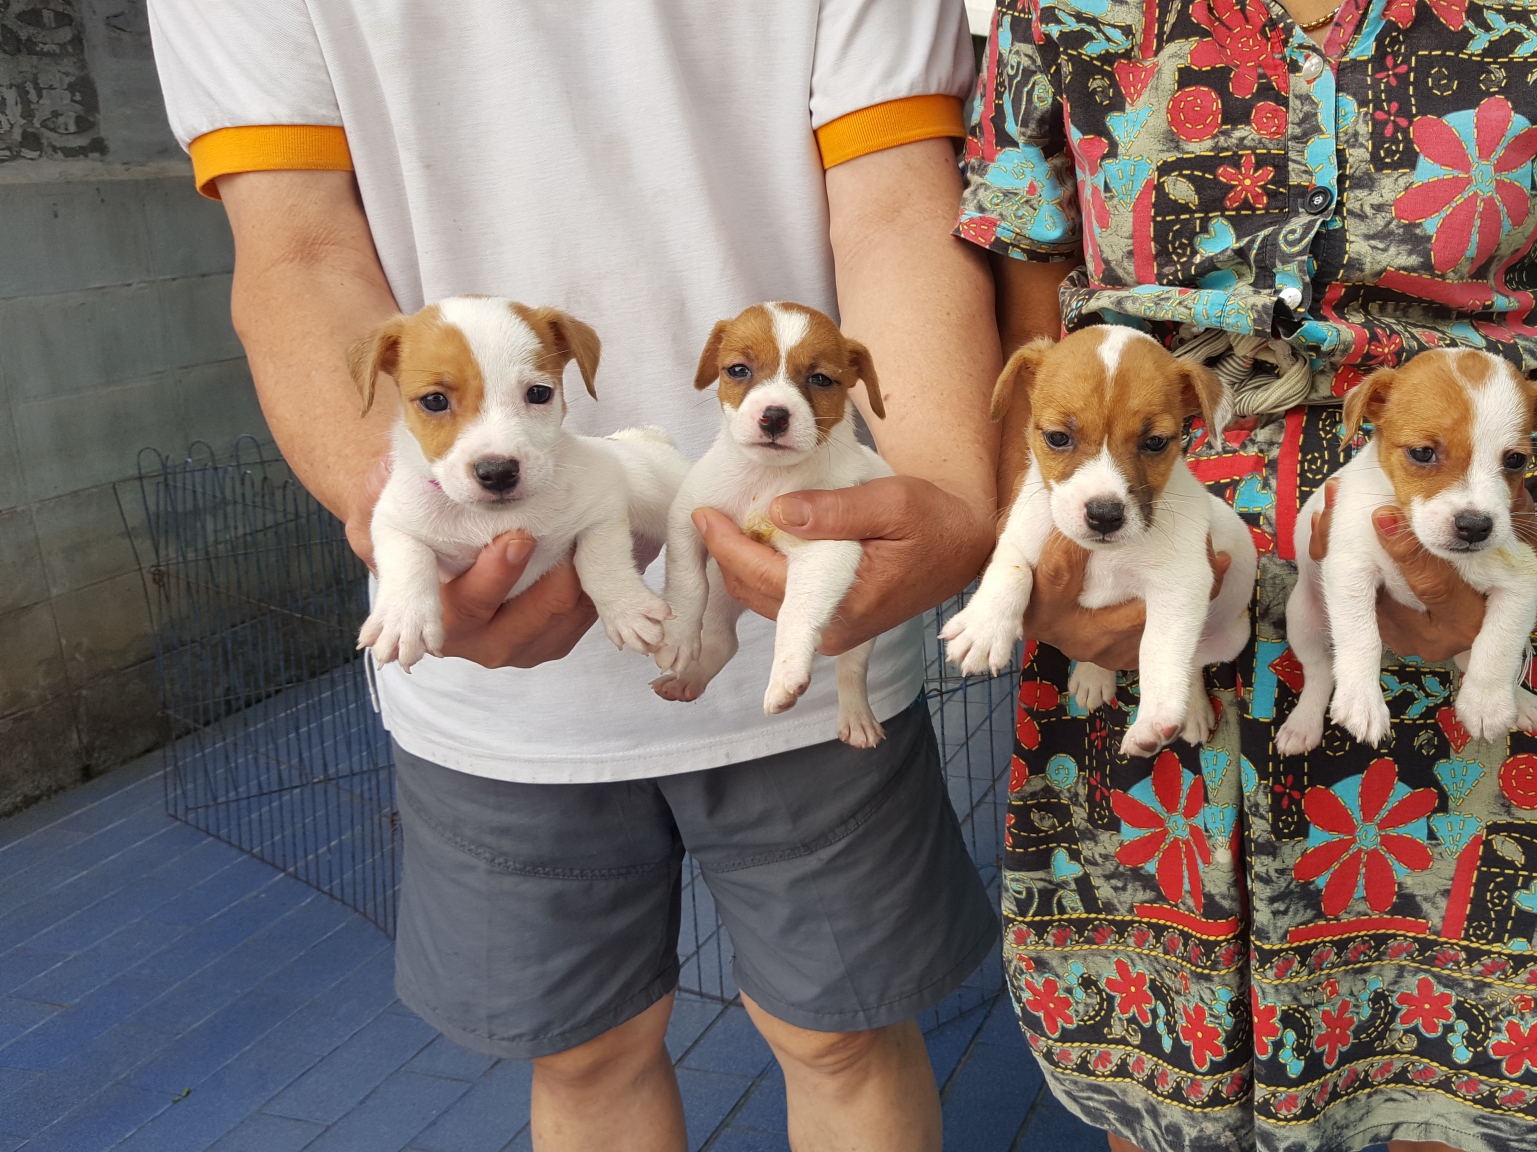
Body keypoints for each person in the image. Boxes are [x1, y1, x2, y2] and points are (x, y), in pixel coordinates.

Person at [148, 3, 1004, 1149]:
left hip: (812, 618)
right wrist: (409, 520)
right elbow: (296, 249)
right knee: (585, 1054)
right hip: (489, 686)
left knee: (842, 1036)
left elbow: (901, 206)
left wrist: (944, 491)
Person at [958, 0, 1537, 1149]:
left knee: (1466, 1102)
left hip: (1491, 610)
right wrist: (1047, 579)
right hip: (1143, 628)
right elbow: (1028, 330)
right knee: (1173, 1108)